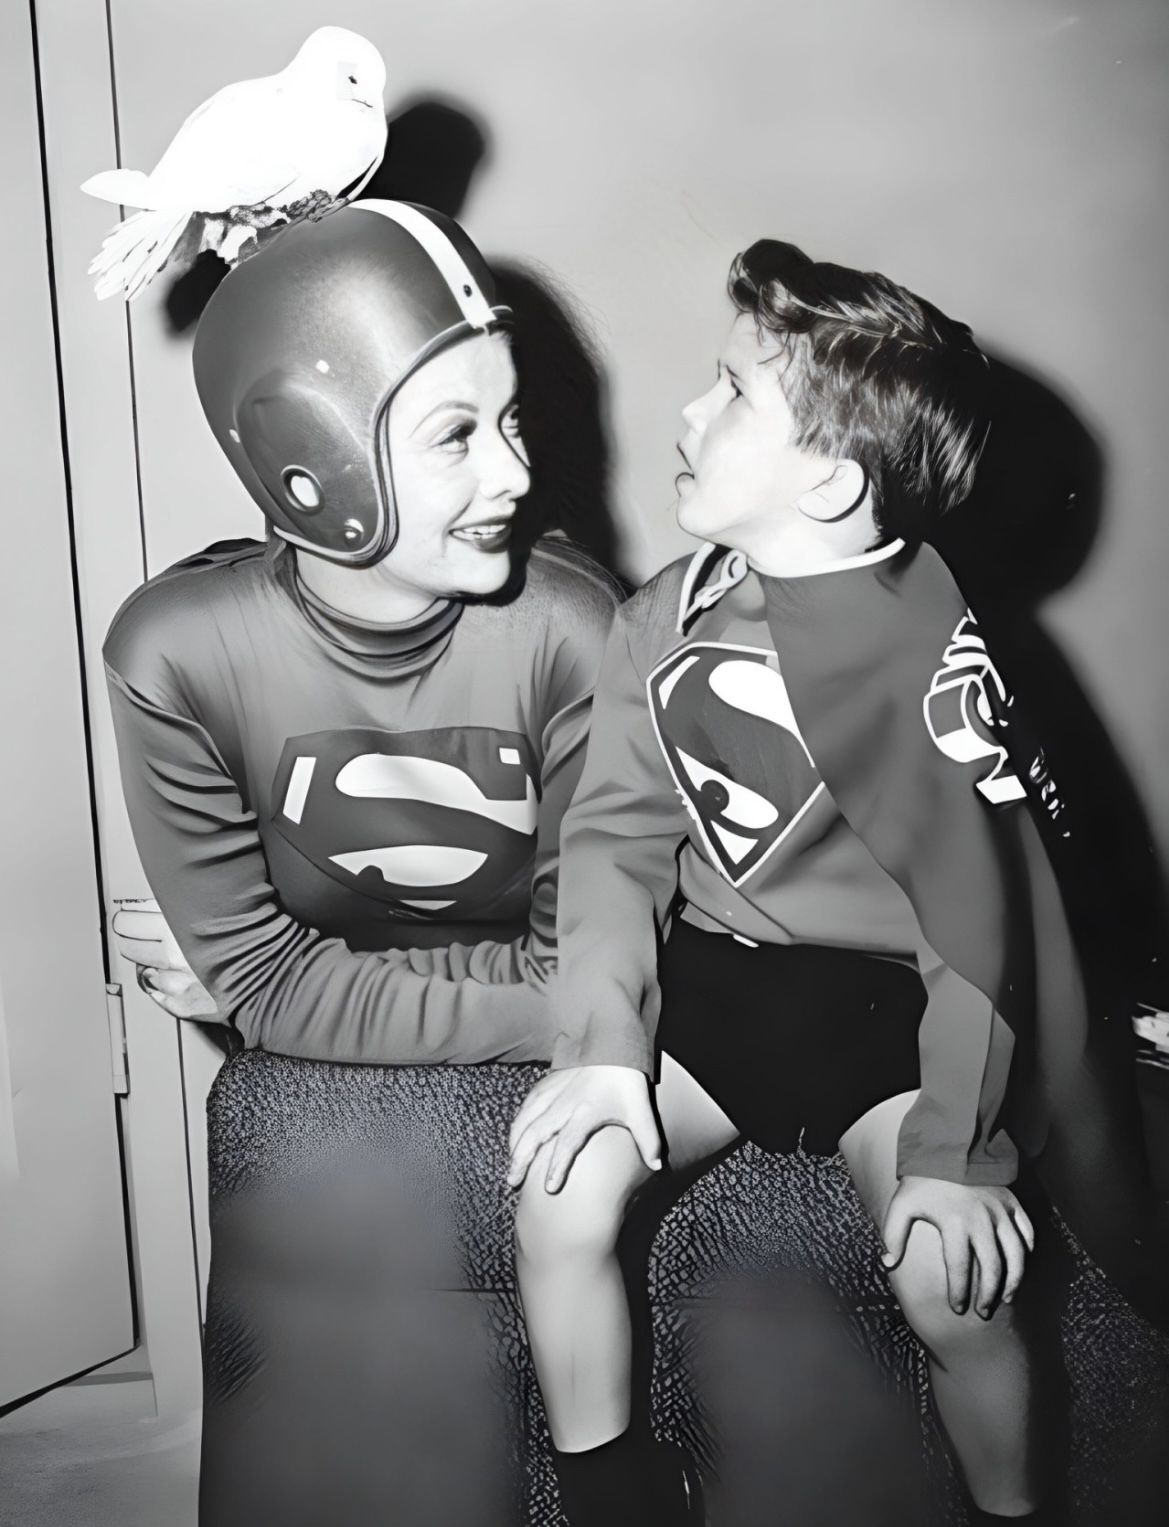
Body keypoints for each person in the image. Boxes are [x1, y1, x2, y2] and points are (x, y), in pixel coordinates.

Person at [507, 239, 1169, 1527]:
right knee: (558, 1188)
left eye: (734, 393)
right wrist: (599, 1044)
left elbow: (984, 933)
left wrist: (957, 1153)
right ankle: (610, 1488)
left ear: (830, 478)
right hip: (717, 984)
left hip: (887, 1015)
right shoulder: (665, 613)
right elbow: (618, 838)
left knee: (946, 1276)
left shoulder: (929, 664)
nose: (691, 412)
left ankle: (1007, 1508)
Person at [102, 199, 620, 1524]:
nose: (512, 474)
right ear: (304, 453)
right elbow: (273, 983)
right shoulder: (177, 652)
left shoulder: (570, 627)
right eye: (456, 434)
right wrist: (274, 986)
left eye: (510, 423)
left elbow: (595, 969)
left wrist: (289, 992)